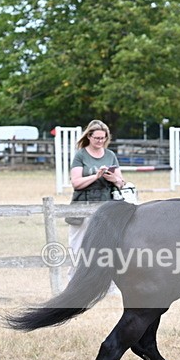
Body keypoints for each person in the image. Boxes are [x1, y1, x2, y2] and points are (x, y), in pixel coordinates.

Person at [68, 120, 125, 280]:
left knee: (107, 246)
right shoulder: (80, 155)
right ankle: (73, 280)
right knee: (78, 245)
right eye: (96, 138)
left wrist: (114, 178)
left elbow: (121, 183)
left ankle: (109, 283)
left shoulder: (110, 155)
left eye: (103, 138)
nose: (100, 141)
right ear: (89, 137)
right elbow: (76, 183)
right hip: (84, 203)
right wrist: (96, 176)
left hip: (106, 204)